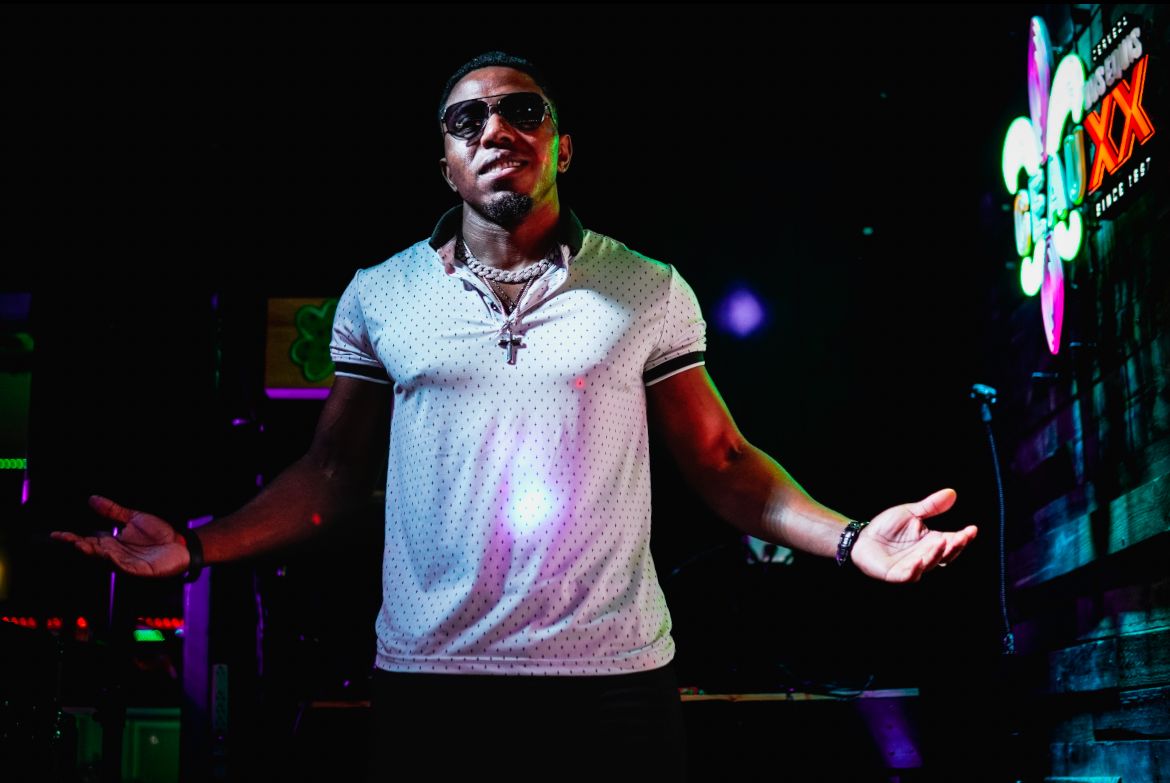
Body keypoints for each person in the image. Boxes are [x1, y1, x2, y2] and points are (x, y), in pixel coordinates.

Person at [53, 51, 977, 780]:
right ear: (446, 162)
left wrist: (850, 538)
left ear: (562, 146)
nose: (496, 128)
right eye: (468, 120)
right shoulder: (381, 295)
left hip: (614, 685)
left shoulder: (645, 286)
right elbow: (331, 474)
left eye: (523, 110)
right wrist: (197, 546)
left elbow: (723, 461)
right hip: (431, 683)